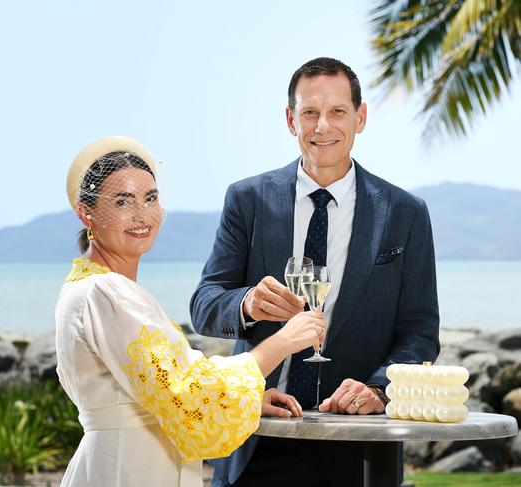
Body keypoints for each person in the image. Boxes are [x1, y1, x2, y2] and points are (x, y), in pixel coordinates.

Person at [190, 57, 440, 486]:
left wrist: (379, 391)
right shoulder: (247, 200)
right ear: (291, 120)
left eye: (337, 111)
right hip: (257, 435)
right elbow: (205, 304)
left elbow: (419, 332)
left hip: (358, 446)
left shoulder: (405, 213)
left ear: (360, 117)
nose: (322, 126)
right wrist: (246, 304)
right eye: (310, 113)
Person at [55, 135, 329, 487]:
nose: (142, 215)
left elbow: (165, 381)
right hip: (130, 470)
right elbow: (190, 393)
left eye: (150, 198)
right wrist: (283, 342)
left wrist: (246, 399)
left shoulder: (87, 285)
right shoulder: (106, 292)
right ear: (86, 212)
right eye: (123, 202)